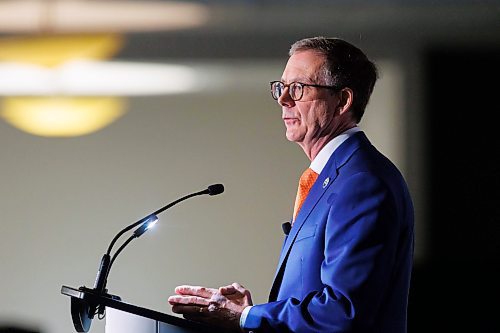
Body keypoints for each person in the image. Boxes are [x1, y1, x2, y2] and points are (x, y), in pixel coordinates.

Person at [168, 36, 414, 333]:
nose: (284, 99)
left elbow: (343, 311)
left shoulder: (361, 183)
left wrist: (248, 317)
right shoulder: (335, 177)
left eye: (299, 88)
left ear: (343, 101)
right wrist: (249, 311)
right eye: (281, 87)